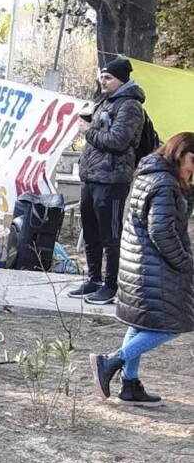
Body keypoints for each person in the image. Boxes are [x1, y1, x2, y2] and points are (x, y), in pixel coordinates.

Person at [90, 132, 194, 405]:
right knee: (171, 326)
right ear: (180, 153)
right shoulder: (164, 183)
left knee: (140, 323)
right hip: (154, 266)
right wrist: (184, 262)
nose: (192, 168)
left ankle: (130, 386)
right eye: (193, 161)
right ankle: (111, 361)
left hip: (141, 262)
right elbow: (161, 231)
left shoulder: (153, 175)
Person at [69, 58, 147, 305]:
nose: (103, 81)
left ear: (121, 80)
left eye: (109, 77)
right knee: (91, 233)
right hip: (92, 178)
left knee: (110, 235)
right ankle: (94, 279)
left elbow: (117, 141)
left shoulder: (130, 106)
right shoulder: (104, 101)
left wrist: (88, 130)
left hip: (112, 180)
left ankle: (111, 285)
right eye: (102, 76)